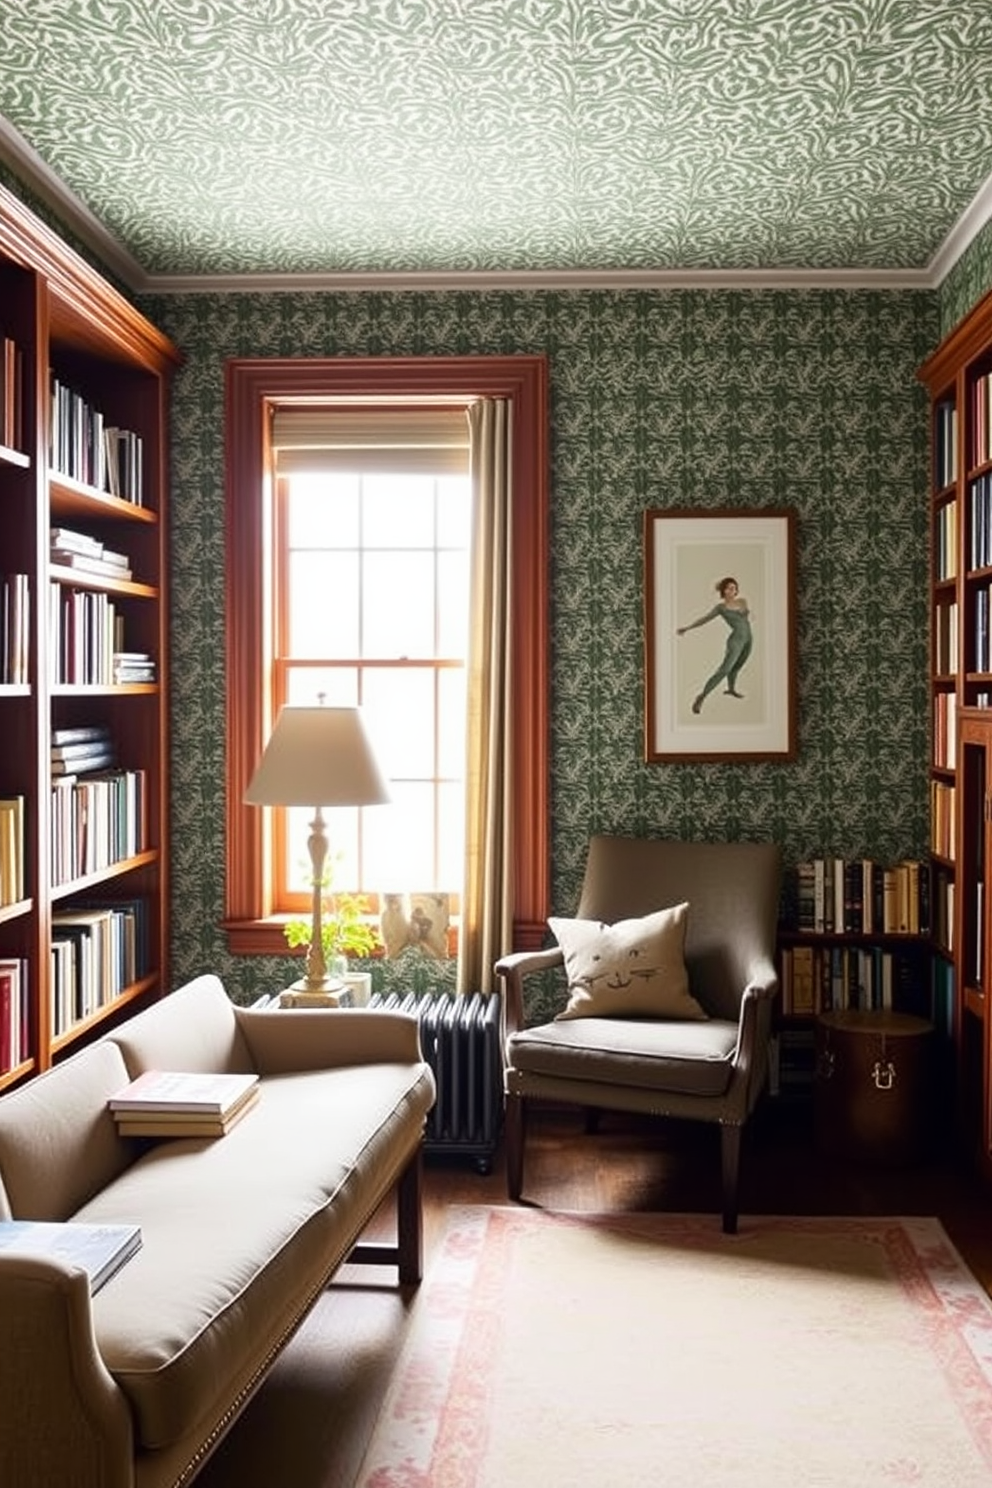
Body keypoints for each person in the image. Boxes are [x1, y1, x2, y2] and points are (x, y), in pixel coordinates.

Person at [676, 577, 752, 714]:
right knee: (725, 669)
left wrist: (746, 613)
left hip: (749, 638)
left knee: (738, 665)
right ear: (724, 591)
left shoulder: (742, 601)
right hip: (736, 640)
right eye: (729, 588)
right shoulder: (721, 608)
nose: (733, 590)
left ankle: (731, 689)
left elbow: (747, 617)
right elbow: (704, 619)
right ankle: (702, 696)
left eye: (734, 588)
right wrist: (687, 628)